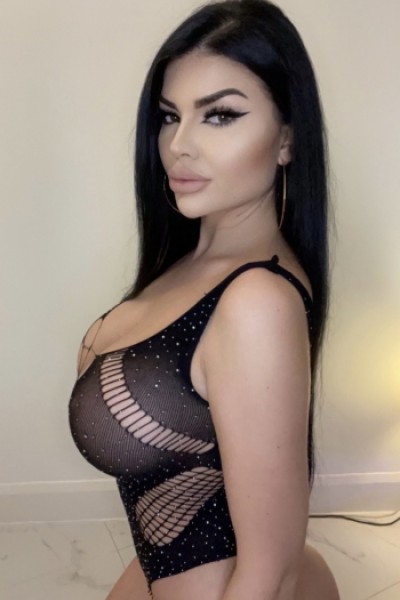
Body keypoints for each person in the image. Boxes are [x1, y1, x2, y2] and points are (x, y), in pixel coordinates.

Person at [68, 1, 341, 598]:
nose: (179, 145)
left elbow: (271, 573)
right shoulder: (191, 267)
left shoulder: (256, 301)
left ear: (287, 138)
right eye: (170, 116)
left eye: (219, 115)